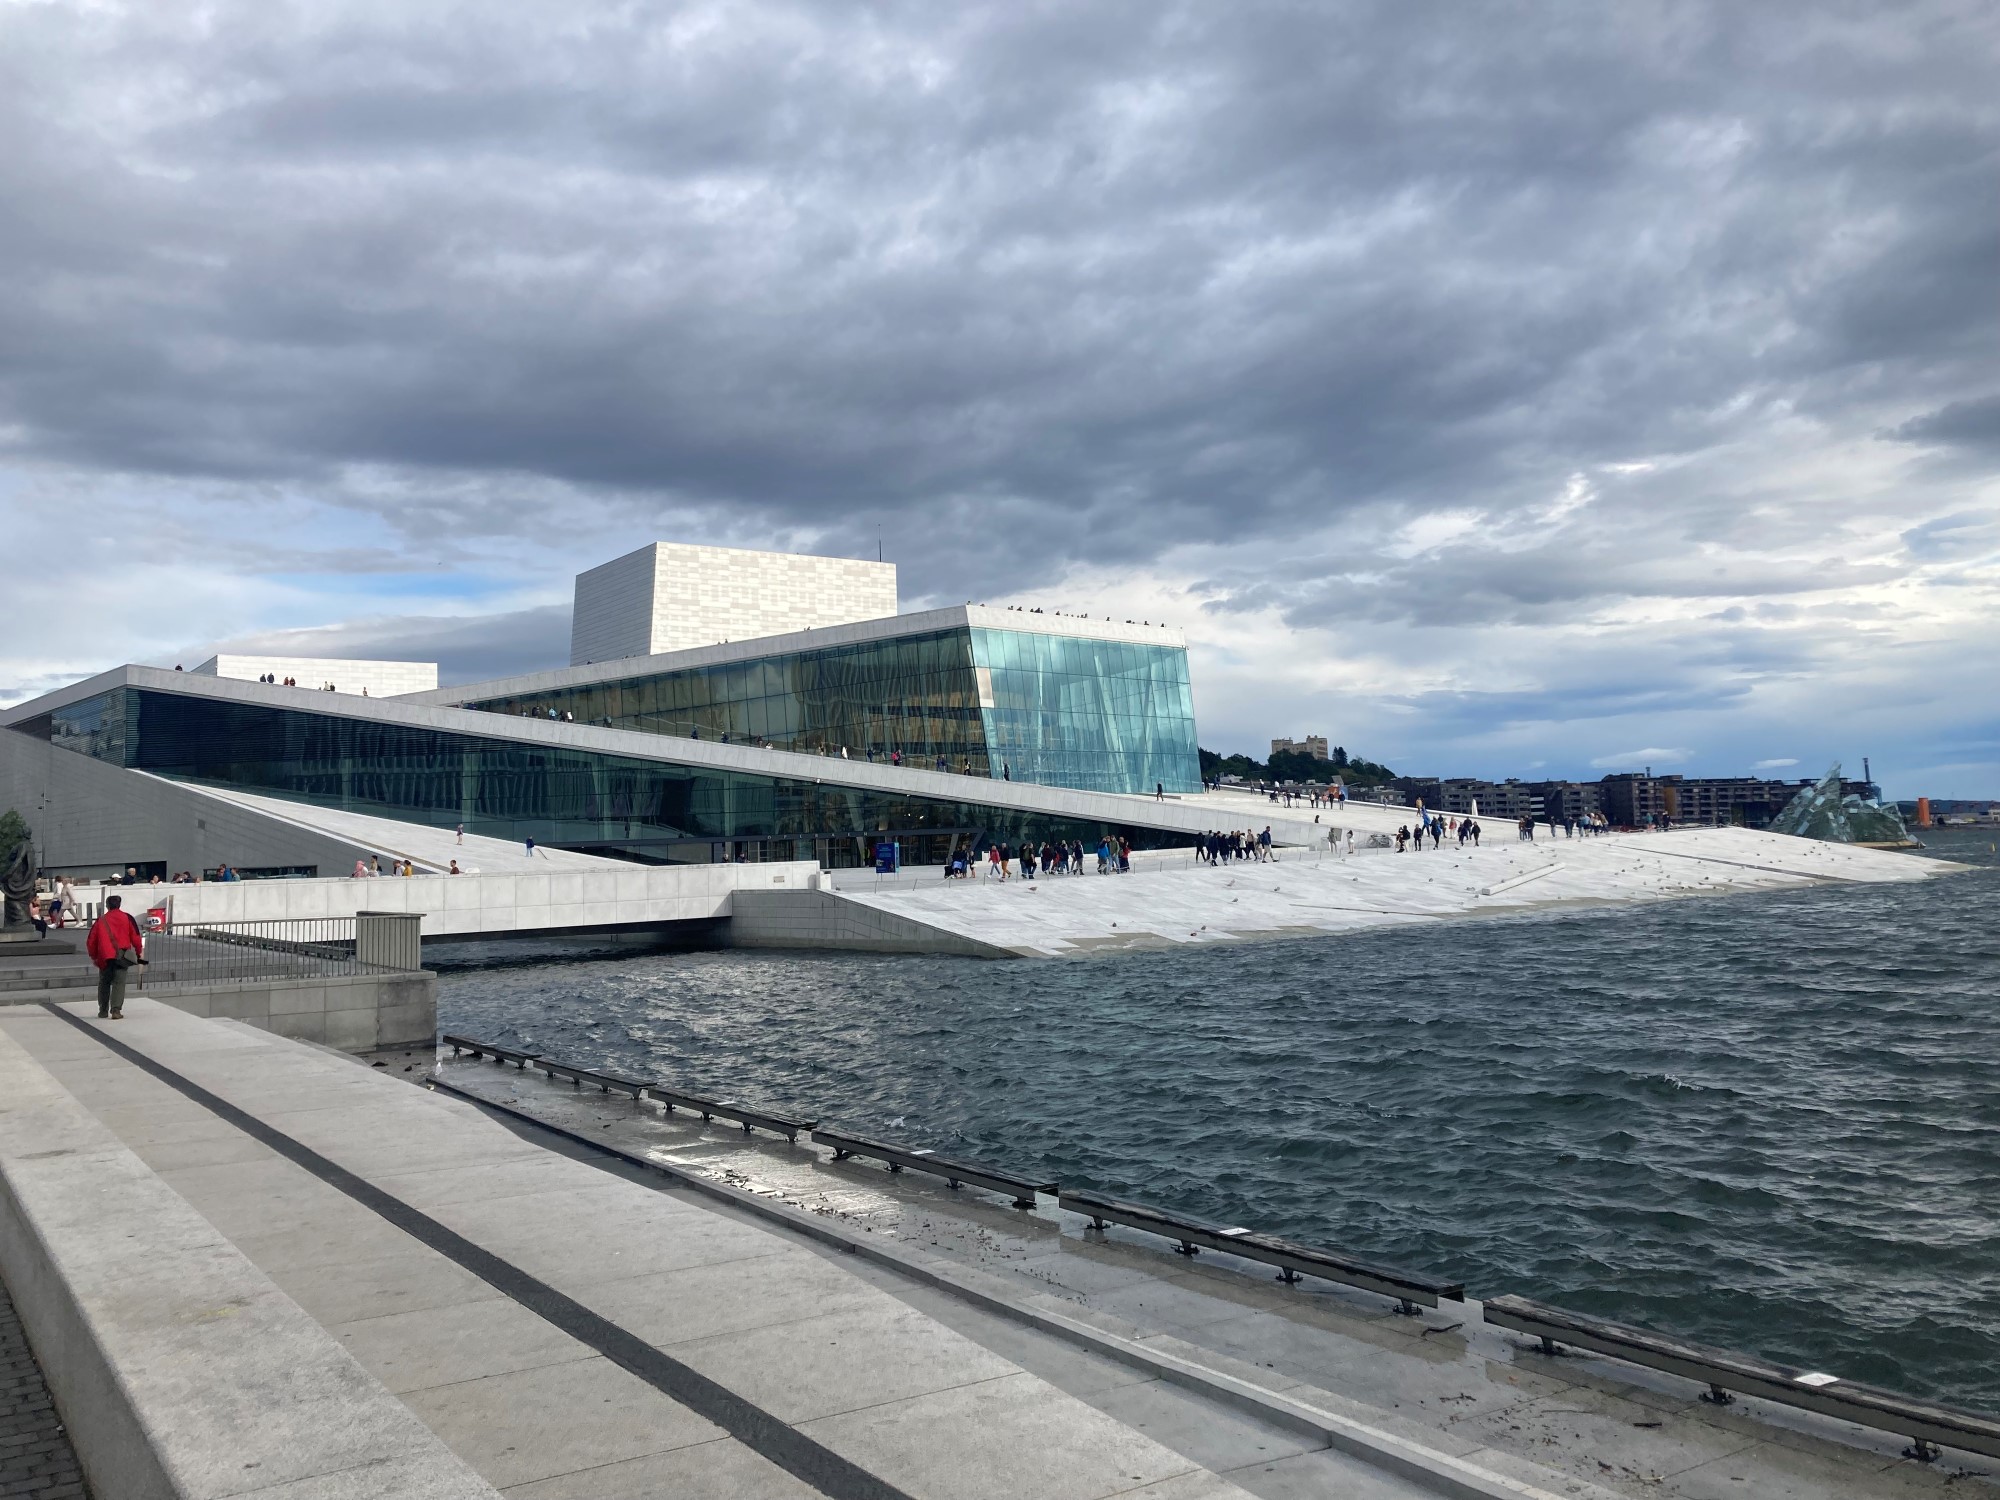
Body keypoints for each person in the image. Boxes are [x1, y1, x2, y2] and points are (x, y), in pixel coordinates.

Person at [87, 894, 146, 1019]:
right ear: (119, 905)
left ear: (107, 906)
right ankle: (116, 1010)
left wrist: (94, 956)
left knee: (104, 982)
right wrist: (138, 951)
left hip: (105, 955)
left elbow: (91, 940)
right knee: (119, 982)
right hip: (121, 955)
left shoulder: (101, 920)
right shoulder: (127, 918)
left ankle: (103, 1010)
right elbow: (136, 937)